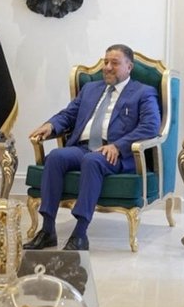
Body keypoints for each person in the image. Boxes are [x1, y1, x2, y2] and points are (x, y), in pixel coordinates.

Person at [24, 44, 162, 251]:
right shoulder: (90, 89)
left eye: (114, 63)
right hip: (82, 148)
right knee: (55, 157)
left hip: (116, 154)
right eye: (106, 62)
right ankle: (47, 230)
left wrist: (119, 145)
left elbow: (150, 126)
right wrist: (51, 125)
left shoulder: (143, 92)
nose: (107, 67)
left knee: (92, 160)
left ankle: (80, 234)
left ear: (129, 67)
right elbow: (68, 115)